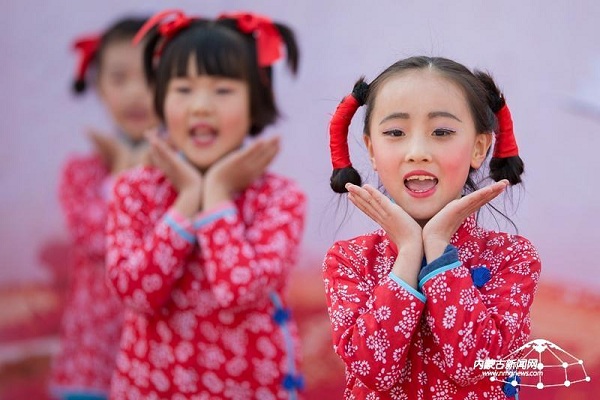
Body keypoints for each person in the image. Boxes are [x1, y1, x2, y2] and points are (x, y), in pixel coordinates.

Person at [105, 10, 306, 399]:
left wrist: (215, 194)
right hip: (150, 387)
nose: (201, 106)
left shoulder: (280, 198)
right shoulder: (133, 190)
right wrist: (187, 200)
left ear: (256, 102)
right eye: (184, 89)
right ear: (161, 102)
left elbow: (240, 290)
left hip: (252, 386)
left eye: (222, 90)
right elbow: (136, 293)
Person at [323, 56, 541, 399]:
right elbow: (372, 372)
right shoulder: (350, 260)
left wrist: (438, 249)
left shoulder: (511, 257)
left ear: (479, 147)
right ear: (371, 151)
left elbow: (475, 365)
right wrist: (408, 253)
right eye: (395, 133)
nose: (418, 152)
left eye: (441, 132)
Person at [50, 16, 158, 400]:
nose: (136, 92)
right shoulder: (82, 171)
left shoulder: (186, 172)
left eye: (151, 76)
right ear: (98, 87)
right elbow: (98, 238)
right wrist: (128, 172)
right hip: (93, 358)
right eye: (119, 78)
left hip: (162, 358)